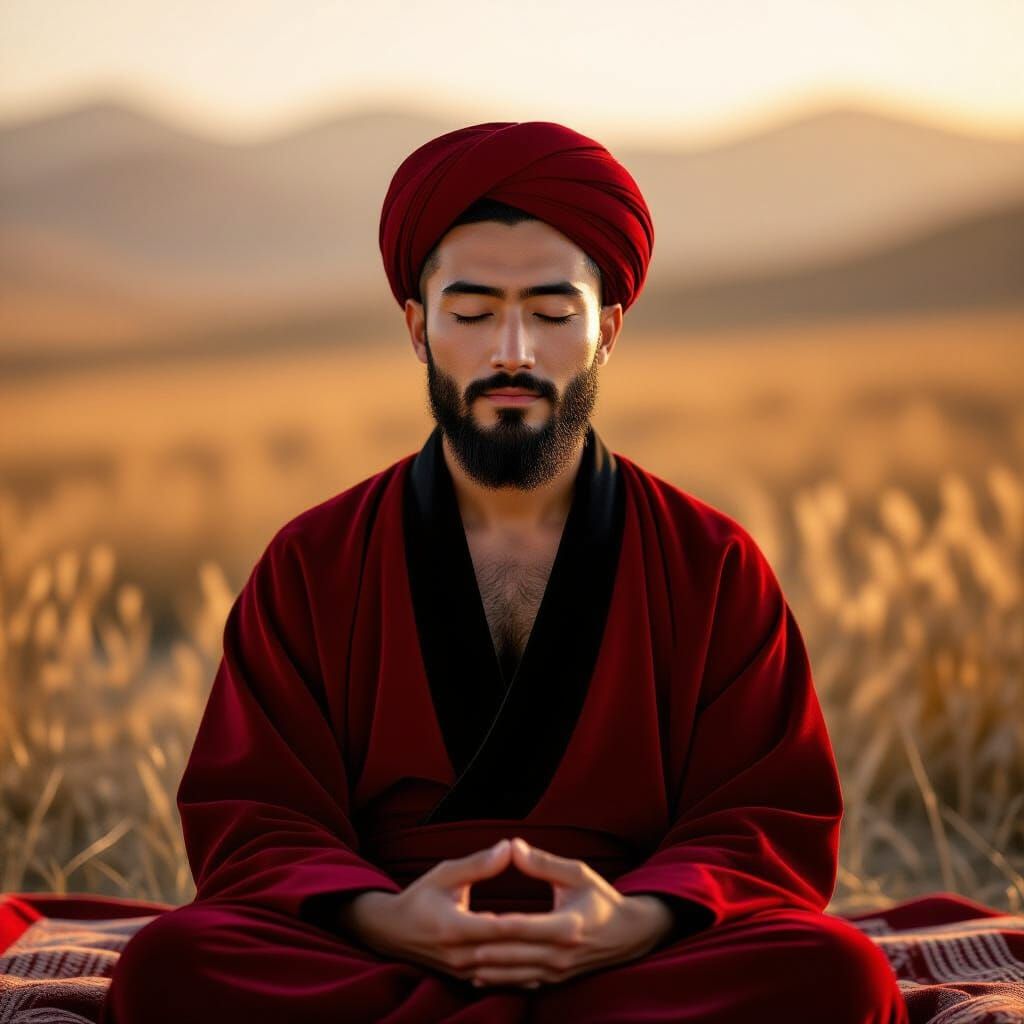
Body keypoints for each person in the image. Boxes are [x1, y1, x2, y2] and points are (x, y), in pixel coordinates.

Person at [102, 121, 909, 1023]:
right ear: (418, 328)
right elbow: (256, 812)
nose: (513, 352)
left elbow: (766, 813)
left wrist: (632, 920)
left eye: (554, 314)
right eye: (474, 311)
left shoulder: (710, 563)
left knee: (838, 976)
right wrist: (387, 917)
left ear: (607, 331)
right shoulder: (313, 561)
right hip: (380, 940)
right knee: (172, 965)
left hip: (625, 947)